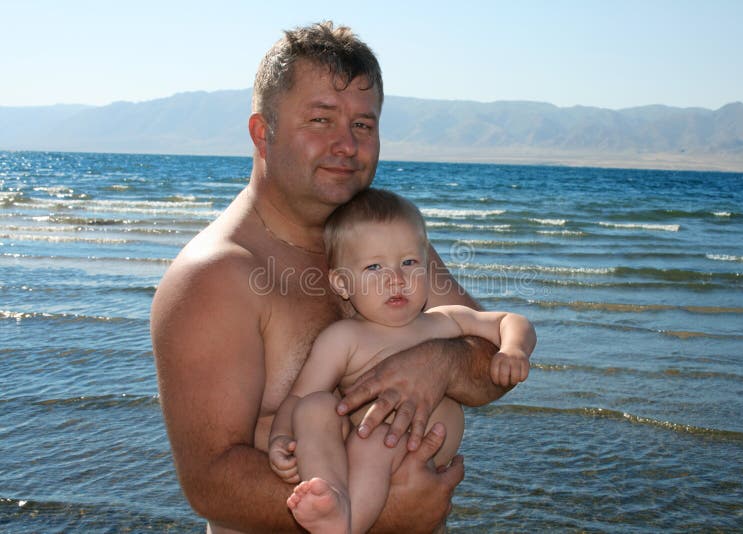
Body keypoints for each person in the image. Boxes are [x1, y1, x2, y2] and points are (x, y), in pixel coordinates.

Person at [151, 21, 532, 533]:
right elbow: (210, 481)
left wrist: (437, 362)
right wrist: (387, 518)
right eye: (320, 120)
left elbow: (492, 366)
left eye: (363, 125)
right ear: (263, 133)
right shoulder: (217, 277)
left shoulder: (385, 245)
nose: (346, 145)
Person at [268, 188, 535, 534]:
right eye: (374, 266)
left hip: (422, 439)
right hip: (364, 437)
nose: (396, 278)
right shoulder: (343, 338)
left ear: (427, 265)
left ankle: (344, 526)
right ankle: (330, 493)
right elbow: (299, 398)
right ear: (342, 283)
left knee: (376, 441)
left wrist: (513, 349)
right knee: (314, 407)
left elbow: (508, 321)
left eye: (409, 262)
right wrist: (280, 438)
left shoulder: (442, 321)